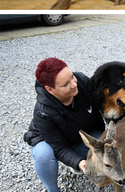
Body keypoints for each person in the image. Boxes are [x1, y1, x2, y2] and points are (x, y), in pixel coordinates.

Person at [23, 58, 107, 192]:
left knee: (109, 149)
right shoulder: (43, 112)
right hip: (50, 141)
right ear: (50, 89)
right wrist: (80, 162)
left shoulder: (81, 82)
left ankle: (74, 162)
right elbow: (60, 148)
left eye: (72, 76)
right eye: (65, 84)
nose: (74, 84)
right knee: (43, 154)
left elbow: (106, 100)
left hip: (79, 134)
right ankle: (53, 189)